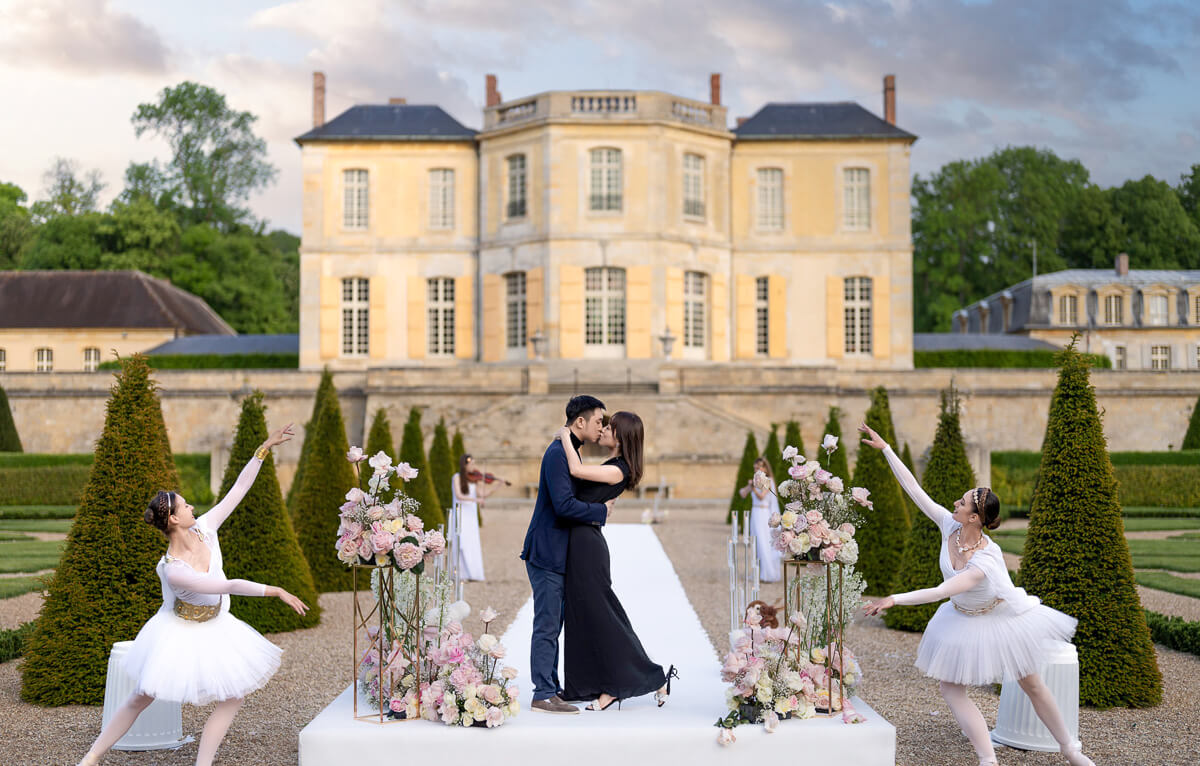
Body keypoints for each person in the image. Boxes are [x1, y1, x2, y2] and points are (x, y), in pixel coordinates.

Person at [858, 423, 1094, 766]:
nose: (955, 501)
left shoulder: (986, 558)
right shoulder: (949, 525)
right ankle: (988, 759)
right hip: (960, 616)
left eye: (963, 501)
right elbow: (914, 490)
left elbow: (942, 590)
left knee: (1032, 684)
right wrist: (887, 450)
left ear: (975, 517)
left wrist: (894, 599)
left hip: (1000, 618)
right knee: (950, 688)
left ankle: (1070, 749)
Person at [77, 424, 308, 766]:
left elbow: (238, 490)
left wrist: (264, 447)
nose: (192, 508)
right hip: (178, 630)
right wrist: (276, 591)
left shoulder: (206, 528)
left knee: (234, 694)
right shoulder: (173, 568)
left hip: (216, 624)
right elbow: (226, 586)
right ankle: (92, 756)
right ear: (172, 519)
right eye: (185, 507)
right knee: (141, 697)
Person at [556, 412, 676, 711]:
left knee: (602, 616)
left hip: (588, 547)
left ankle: (634, 681)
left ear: (621, 437)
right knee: (584, 615)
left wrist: (564, 436)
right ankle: (594, 683)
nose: (604, 430)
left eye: (609, 428)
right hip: (580, 542)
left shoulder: (618, 470)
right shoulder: (611, 466)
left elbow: (574, 469)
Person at [520, 395, 615, 715]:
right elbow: (563, 506)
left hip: (557, 552)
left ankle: (551, 686)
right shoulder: (558, 453)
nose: (603, 426)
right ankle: (542, 694)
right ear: (580, 422)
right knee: (547, 624)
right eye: (599, 421)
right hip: (547, 551)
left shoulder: (568, 450)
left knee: (555, 622)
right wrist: (600, 510)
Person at [451, 453, 497, 581]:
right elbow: (459, 495)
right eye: (471, 464)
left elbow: (483, 494)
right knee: (462, 542)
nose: (474, 466)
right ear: (464, 465)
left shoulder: (473, 480)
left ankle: (472, 573)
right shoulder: (457, 477)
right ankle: (460, 574)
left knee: (472, 543)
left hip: (471, 516)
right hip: (461, 514)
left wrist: (497, 486)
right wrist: (476, 500)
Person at [739, 456, 782, 582]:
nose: (758, 469)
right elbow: (742, 494)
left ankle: (767, 573)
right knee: (756, 542)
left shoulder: (769, 481)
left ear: (766, 468)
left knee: (764, 542)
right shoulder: (754, 481)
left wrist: (753, 487)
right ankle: (758, 571)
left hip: (764, 513)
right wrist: (750, 486)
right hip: (755, 512)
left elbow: (762, 497)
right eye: (756, 467)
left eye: (761, 466)